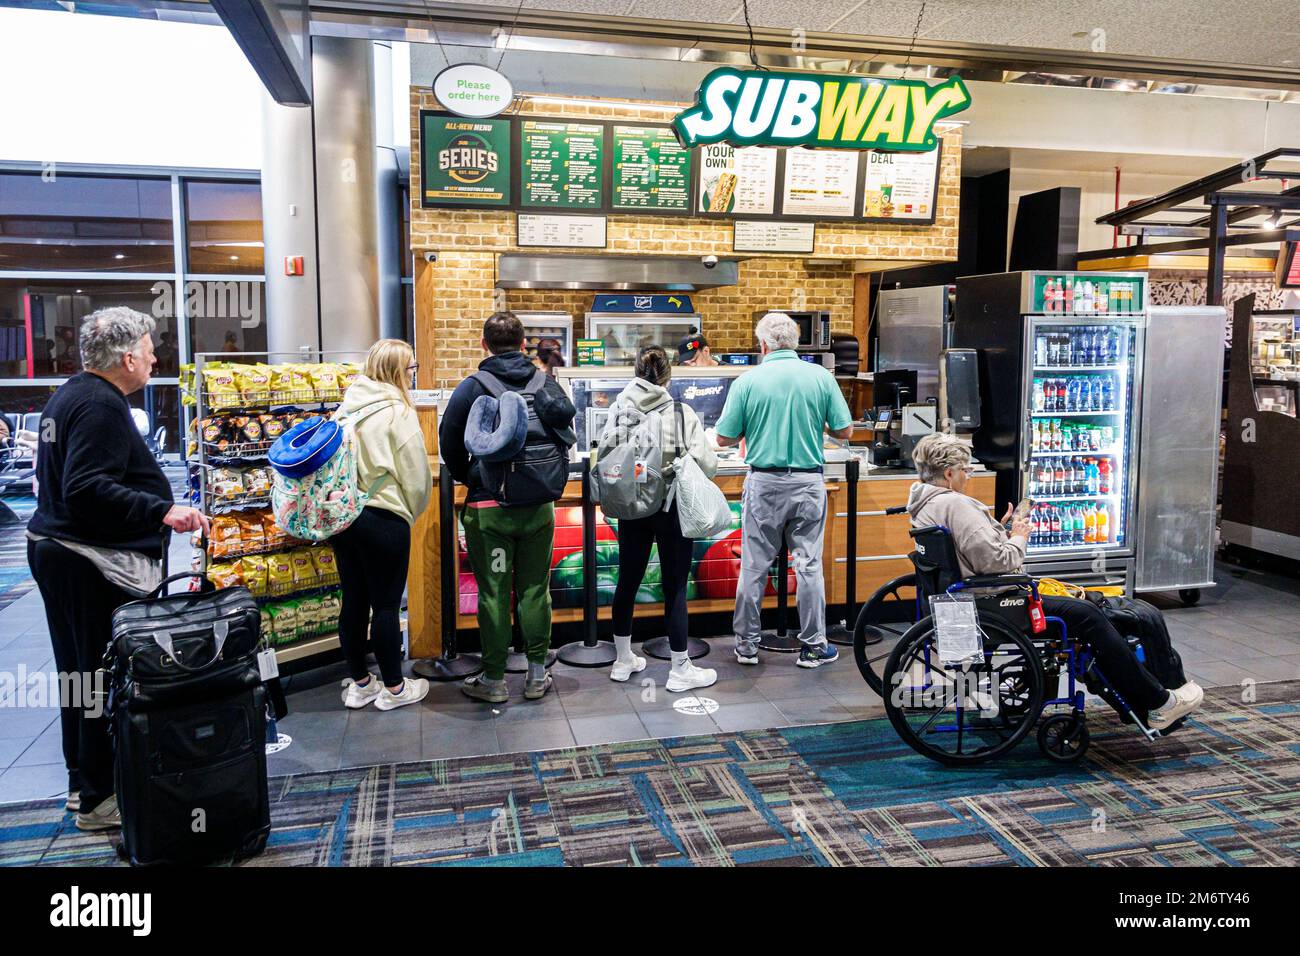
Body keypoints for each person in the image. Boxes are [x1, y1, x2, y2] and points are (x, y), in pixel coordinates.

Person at [26, 307, 209, 831]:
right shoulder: (101, 407)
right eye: (150, 349)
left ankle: (81, 782)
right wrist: (161, 509)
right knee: (101, 676)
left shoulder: (71, 394)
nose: (156, 357)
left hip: (58, 551)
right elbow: (86, 486)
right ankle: (99, 798)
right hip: (87, 562)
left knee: (78, 675)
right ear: (128, 357)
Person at [905, 432, 1203, 731]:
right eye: (966, 471)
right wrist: (1019, 537)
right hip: (995, 605)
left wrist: (1000, 530)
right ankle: (1157, 701)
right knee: (1089, 616)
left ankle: (1145, 697)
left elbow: (971, 551)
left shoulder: (925, 504)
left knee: (1089, 611)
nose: (967, 477)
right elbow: (998, 562)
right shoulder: (957, 505)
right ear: (949, 473)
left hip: (964, 604)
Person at [439, 312, 577, 703]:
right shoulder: (545, 382)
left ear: (484, 345)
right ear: (523, 345)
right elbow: (567, 434)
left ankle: (494, 680)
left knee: (494, 593)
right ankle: (536, 676)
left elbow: (450, 447)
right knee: (535, 590)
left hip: (490, 510)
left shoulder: (472, 388)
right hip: (539, 508)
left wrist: (476, 477)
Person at [715, 311, 853, 668]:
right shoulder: (820, 377)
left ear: (762, 345)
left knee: (753, 566)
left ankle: (746, 646)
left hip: (764, 483)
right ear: (796, 342)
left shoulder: (748, 381)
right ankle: (813, 646)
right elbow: (845, 431)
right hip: (808, 482)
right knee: (808, 566)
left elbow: (723, 437)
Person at [599, 345, 719, 691]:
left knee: (627, 580)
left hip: (630, 507)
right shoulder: (680, 413)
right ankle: (680, 668)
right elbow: (707, 464)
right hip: (670, 509)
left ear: (635, 372)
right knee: (675, 587)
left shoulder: (619, 408)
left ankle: (623, 660)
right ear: (668, 375)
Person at [331, 338, 433, 711]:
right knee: (387, 605)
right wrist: (410, 510)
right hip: (384, 517)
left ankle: (361, 684)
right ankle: (394, 688)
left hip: (343, 519)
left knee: (354, 601)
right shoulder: (396, 412)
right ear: (397, 372)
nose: (413, 375)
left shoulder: (346, 408)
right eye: (411, 369)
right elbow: (417, 477)